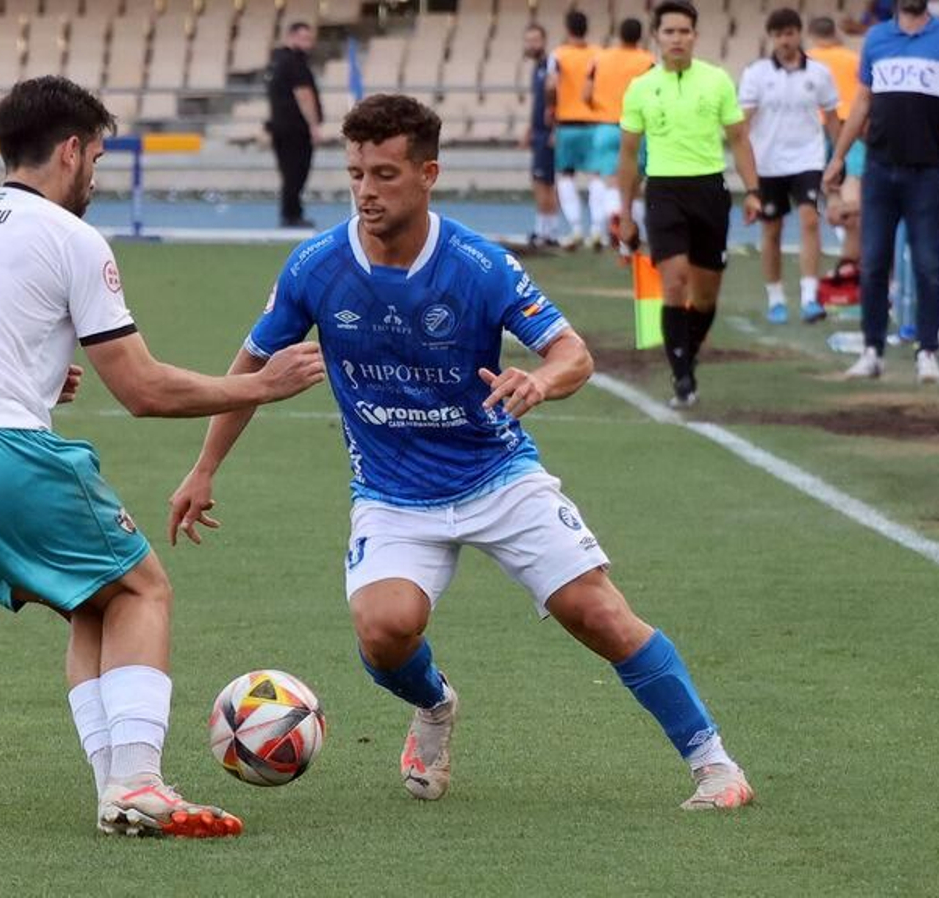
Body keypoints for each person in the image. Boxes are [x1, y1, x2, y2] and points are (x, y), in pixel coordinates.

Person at [169, 93, 754, 812]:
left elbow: (573, 353)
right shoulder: (317, 266)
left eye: (384, 174)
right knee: (385, 633)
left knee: (598, 614)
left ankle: (716, 765)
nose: (365, 191)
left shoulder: (479, 263)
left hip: (497, 476)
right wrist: (204, 469)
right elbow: (251, 367)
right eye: (355, 173)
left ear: (428, 174)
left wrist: (538, 379)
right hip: (391, 494)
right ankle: (436, 706)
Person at [0, 77, 326, 837]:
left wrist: (31, 370)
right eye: (98, 157)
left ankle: (117, 793)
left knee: (92, 599)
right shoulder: (70, 236)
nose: (97, 177)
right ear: (72, 150)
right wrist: (264, 384)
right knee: (144, 592)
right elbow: (142, 390)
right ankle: (141, 781)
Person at [825, 0, 939, 382]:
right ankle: (872, 351)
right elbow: (862, 101)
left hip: (926, 172)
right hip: (880, 170)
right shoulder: (877, 38)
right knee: (874, 263)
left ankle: (927, 350)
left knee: (928, 265)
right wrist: (839, 156)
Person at [616, 1, 762, 407]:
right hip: (663, 190)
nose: (677, 38)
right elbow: (628, 155)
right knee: (674, 280)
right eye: (669, 32)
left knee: (705, 297)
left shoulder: (716, 81)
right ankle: (682, 377)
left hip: (709, 190)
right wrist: (625, 215)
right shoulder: (641, 87)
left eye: (684, 31)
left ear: (695, 36)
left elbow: (738, 139)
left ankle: (686, 352)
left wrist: (753, 190)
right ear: (657, 37)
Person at [739, 9, 840, 325]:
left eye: (790, 33)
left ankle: (810, 295)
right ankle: (776, 298)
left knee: (810, 219)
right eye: (779, 34)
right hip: (768, 163)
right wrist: (745, 168)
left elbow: (833, 116)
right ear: (772, 38)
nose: (785, 40)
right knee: (772, 229)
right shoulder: (756, 74)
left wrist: (839, 156)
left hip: (807, 159)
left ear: (800, 34)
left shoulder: (819, 74)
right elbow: (742, 124)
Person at [582, 17, 654, 247]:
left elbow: (586, 93)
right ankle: (633, 235)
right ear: (640, 36)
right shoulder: (648, 60)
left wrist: (597, 108)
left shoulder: (600, 58)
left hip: (605, 125)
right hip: (636, 128)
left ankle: (609, 219)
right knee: (635, 184)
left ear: (619, 35)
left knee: (610, 179)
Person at [807, 16, 864, 269]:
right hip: (851, 125)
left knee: (831, 185)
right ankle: (849, 260)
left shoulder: (806, 59)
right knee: (852, 181)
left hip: (816, 125)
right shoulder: (853, 58)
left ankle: (837, 214)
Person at [549, 10, 598, 250]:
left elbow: (550, 84)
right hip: (595, 123)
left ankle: (577, 228)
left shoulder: (558, 55)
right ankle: (599, 230)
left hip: (568, 123)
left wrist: (550, 110)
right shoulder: (598, 54)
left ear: (568, 28)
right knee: (597, 177)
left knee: (565, 177)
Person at [266, 21, 322, 229]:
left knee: (289, 172)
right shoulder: (295, 63)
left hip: (280, 126)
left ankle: (291, 212)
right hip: (294, 128)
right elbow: (304, 95)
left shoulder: (277, 61)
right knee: (297, 171)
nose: (308, 43)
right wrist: (313, 125)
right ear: (291, 37)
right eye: (304, 38)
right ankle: (291, 214)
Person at [521, 23, 561, 248]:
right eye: (528, 40)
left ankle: (549, 232)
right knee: (540, 181)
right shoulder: (536, 68)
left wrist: (555, 129)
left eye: (535, 40)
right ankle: (544, 230)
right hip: (537, 132)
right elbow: (538, 103)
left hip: (547, 132)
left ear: (543, 41)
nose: (531, 44)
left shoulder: (550, 66)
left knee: (544, 182)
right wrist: (529, 129)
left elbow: (555, 99)